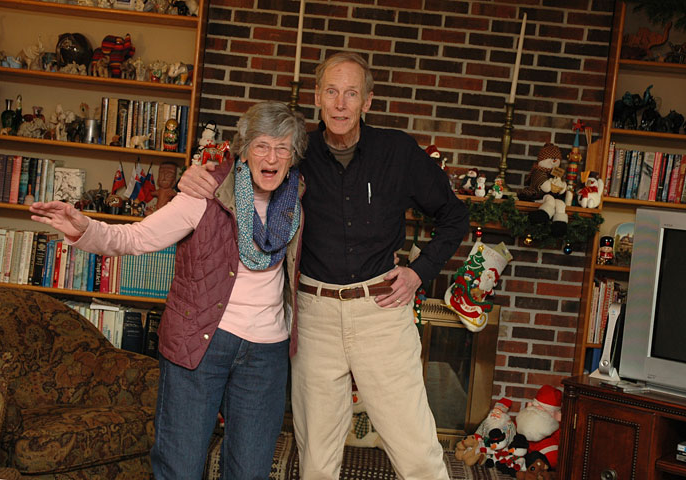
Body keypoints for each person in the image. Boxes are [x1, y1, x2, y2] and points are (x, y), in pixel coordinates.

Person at [178, 52, 469, 479]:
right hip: (314, 317)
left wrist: (419, 271)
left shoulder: (397, 151)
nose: (340, 103)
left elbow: (455, 216)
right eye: (331, 91)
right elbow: (243, 171)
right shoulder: (297, 152)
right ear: (317, 96)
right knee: (316, 461)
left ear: (367, 101)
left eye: (351, 93)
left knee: (418, 455)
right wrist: (195, 176)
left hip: (381, 313)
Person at [29, 101, 308, 480]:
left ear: (293, 157)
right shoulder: (205, 194)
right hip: (201, 343)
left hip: (267, 353)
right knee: (180, 467)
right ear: (243, 150)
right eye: (262, 146)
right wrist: (85, 228)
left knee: (250, 472)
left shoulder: (296, 204)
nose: (272, 157)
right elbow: (136, 238)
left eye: (282, 148)